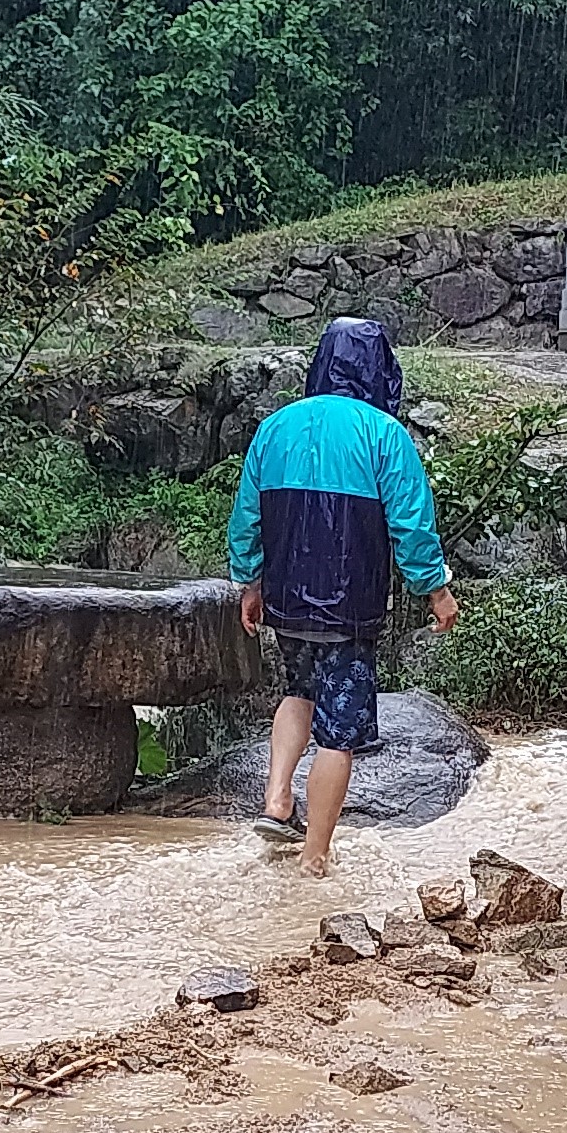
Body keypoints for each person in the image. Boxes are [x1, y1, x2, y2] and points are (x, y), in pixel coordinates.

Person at [226, 318, 453, 878]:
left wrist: (249, 584)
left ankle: (278, 800)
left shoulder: (275, 428)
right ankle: (315, 855)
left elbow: (246, 518)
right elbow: (411, 526)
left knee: (297, 689)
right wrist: (435, 589)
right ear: (381, 372)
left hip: (286, 599)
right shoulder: (384, 434)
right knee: (341, 731)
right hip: (349, 605)